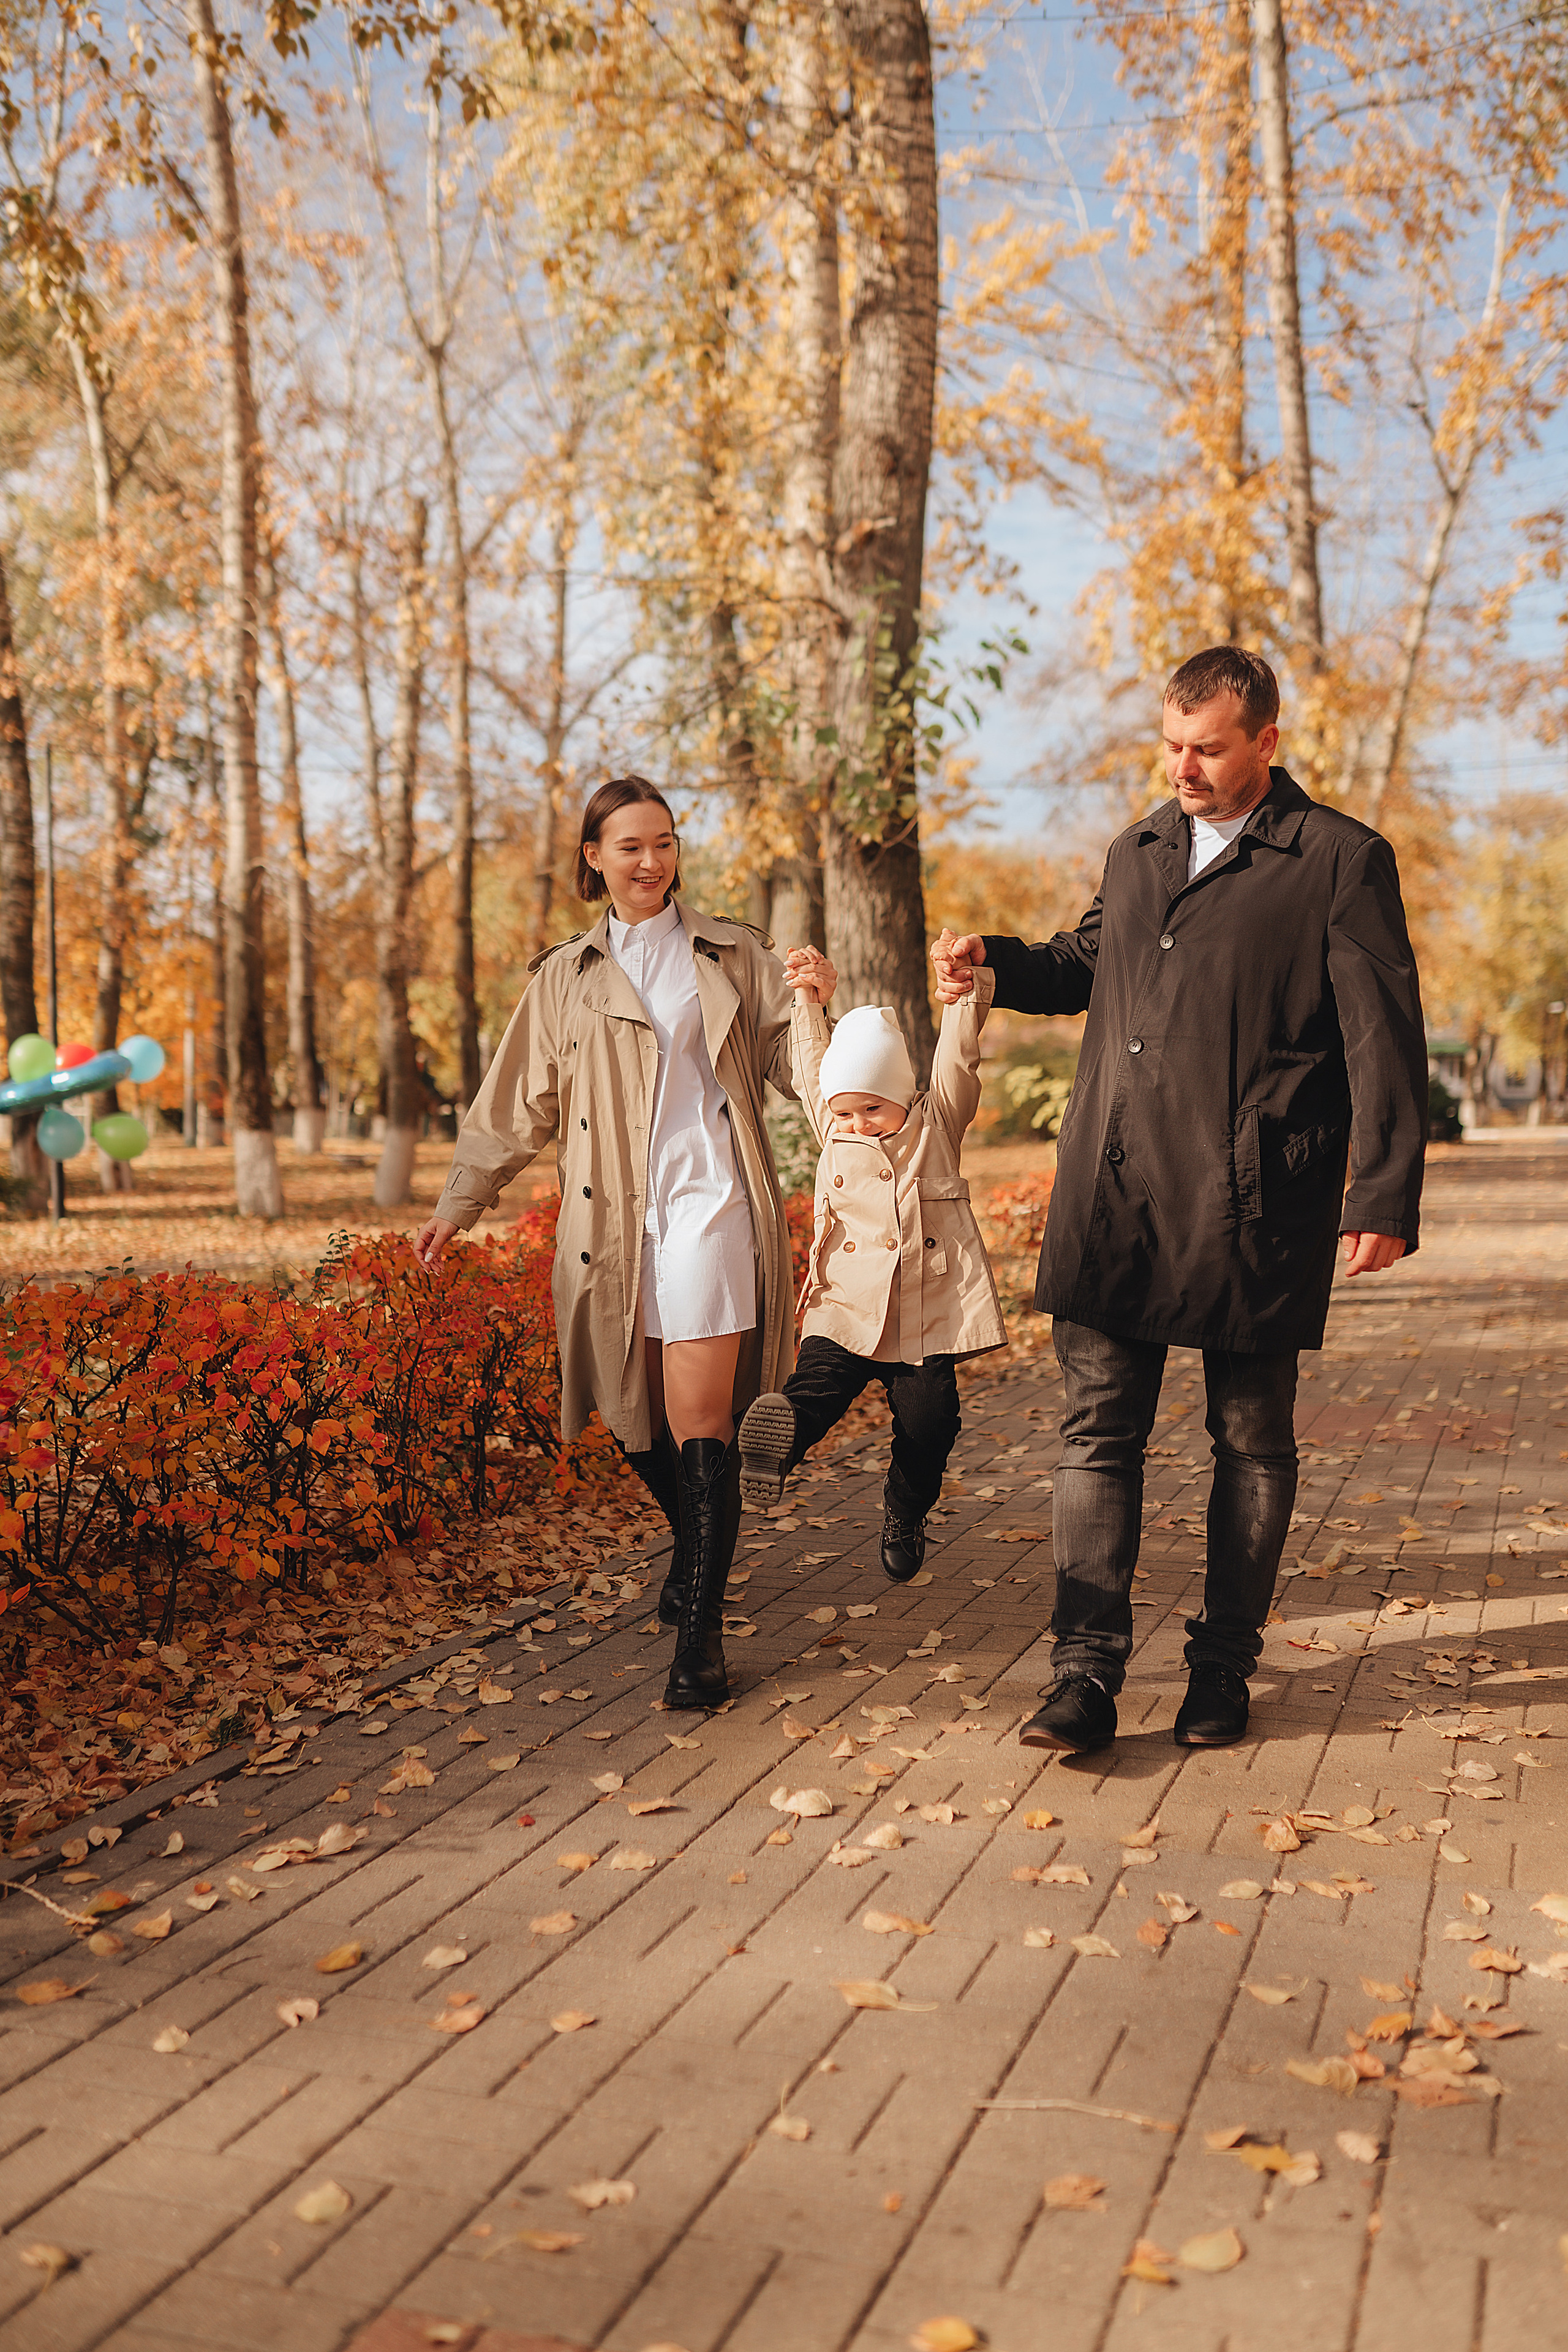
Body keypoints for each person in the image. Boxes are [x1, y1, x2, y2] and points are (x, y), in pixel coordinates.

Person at [932, 645, 1427, 1754]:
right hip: (1119, 1189)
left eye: (1207, 748)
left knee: (1250, 1439)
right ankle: (1083, 1676)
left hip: (1257, 1198)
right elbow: (1092, 958)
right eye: (1171, 745)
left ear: (1266, 742)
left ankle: (1221, 1671)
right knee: (1097, 1432)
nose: (1183, 767)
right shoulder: (1141, 847)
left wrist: (1382, 1190)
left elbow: (1382, 1036)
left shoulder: (1338, 860)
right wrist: (998, 964)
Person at [413, 777, 834, 1711]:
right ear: (594, 859)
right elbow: (514, 1103)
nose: (653, 863)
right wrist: (460, 1198)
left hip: (712, 1204)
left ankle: (701, 1639)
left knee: (701, 1420)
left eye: (667, 843)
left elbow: (799, 1070)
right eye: (632, 847)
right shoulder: (566, 977)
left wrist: (815, 1007)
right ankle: (695, 1549)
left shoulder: (732, 952)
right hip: (609, 1221)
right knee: (626, 1407)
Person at [737, 970, 1006, 1579]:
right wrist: (806, 1000)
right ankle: (775, 1449)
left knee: (931, 1425)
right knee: (818, 1386)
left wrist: (964, 998)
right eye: (845, 1111)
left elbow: (958, 1061)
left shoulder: (936, 1122)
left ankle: (905, 1511)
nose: (857, 1123)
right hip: (845, 1303)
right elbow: (810, 1067)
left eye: (871, 1109)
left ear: (903, 1095)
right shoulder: (832, 1127)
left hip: (921, 1311)